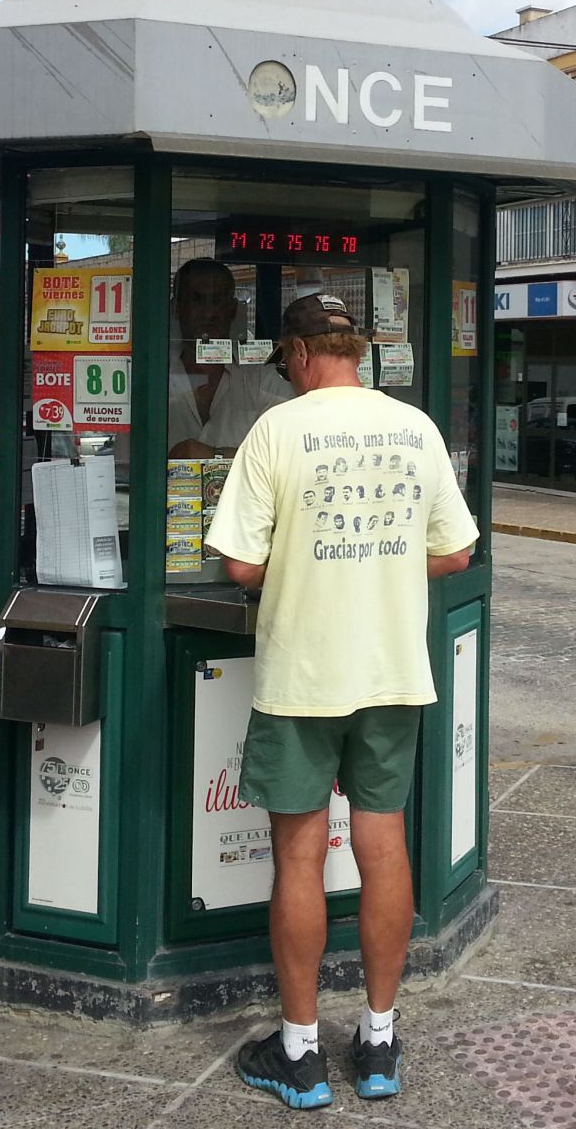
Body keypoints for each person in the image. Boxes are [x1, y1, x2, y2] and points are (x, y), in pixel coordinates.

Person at [206, 293, 477, 1109]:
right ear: (357, 349)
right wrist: (380, 564)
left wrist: (311, 558)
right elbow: (456, 553)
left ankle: (298, 1052)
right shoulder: (416, 428)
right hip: (392, 669)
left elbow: (240, 567)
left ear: (296, 352)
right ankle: (379, 1041)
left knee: (299, 856)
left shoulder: (277, 430)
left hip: (304, 673)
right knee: (382, 844)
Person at [167, 257, 291, 457]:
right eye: (196, 300)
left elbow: (288, 455)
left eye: (218, 301)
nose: (209, 313)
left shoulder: (262, 377)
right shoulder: (155, 378)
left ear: (233, 309)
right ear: (176, 308)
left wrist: (213, 455)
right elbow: (126, 464)